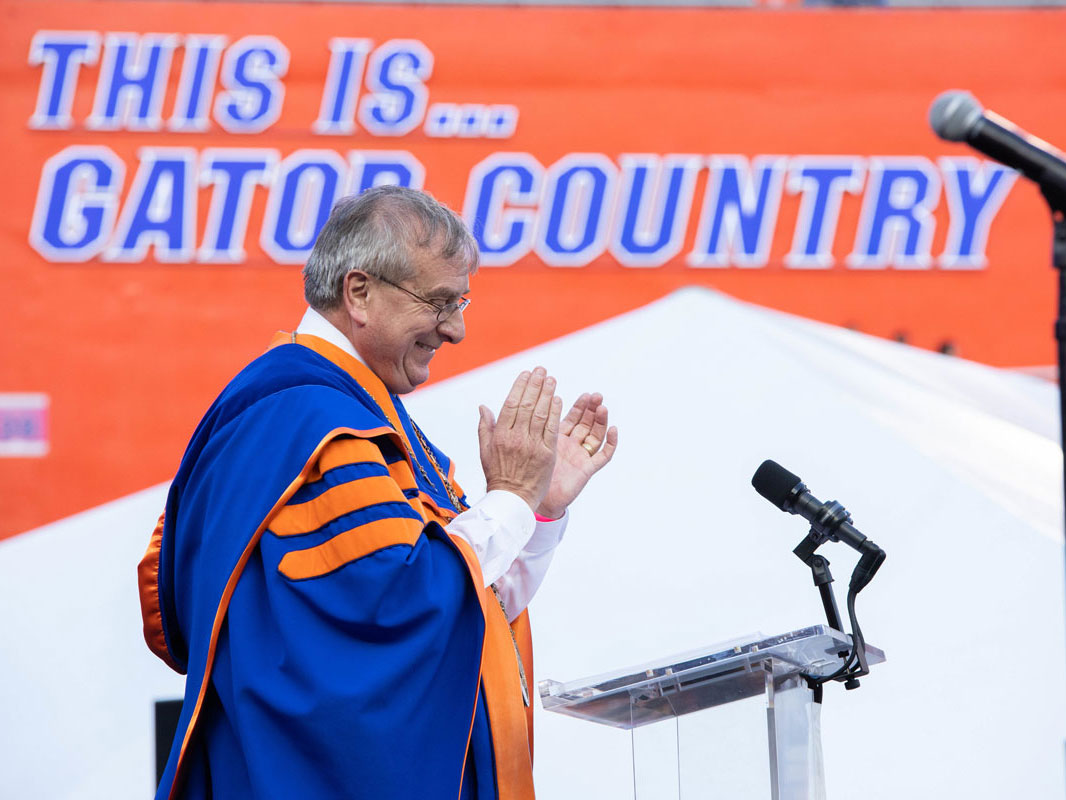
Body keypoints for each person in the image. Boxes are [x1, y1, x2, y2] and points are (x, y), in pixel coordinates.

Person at [138, 185, 618, 800]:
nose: (457, 329)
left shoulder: (360, 418)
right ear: (359, 293)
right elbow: (397, 607)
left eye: (462, 300)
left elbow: (468, 603)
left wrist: (537, 508)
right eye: (441, 302)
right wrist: (509, 502)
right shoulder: (309, 426)